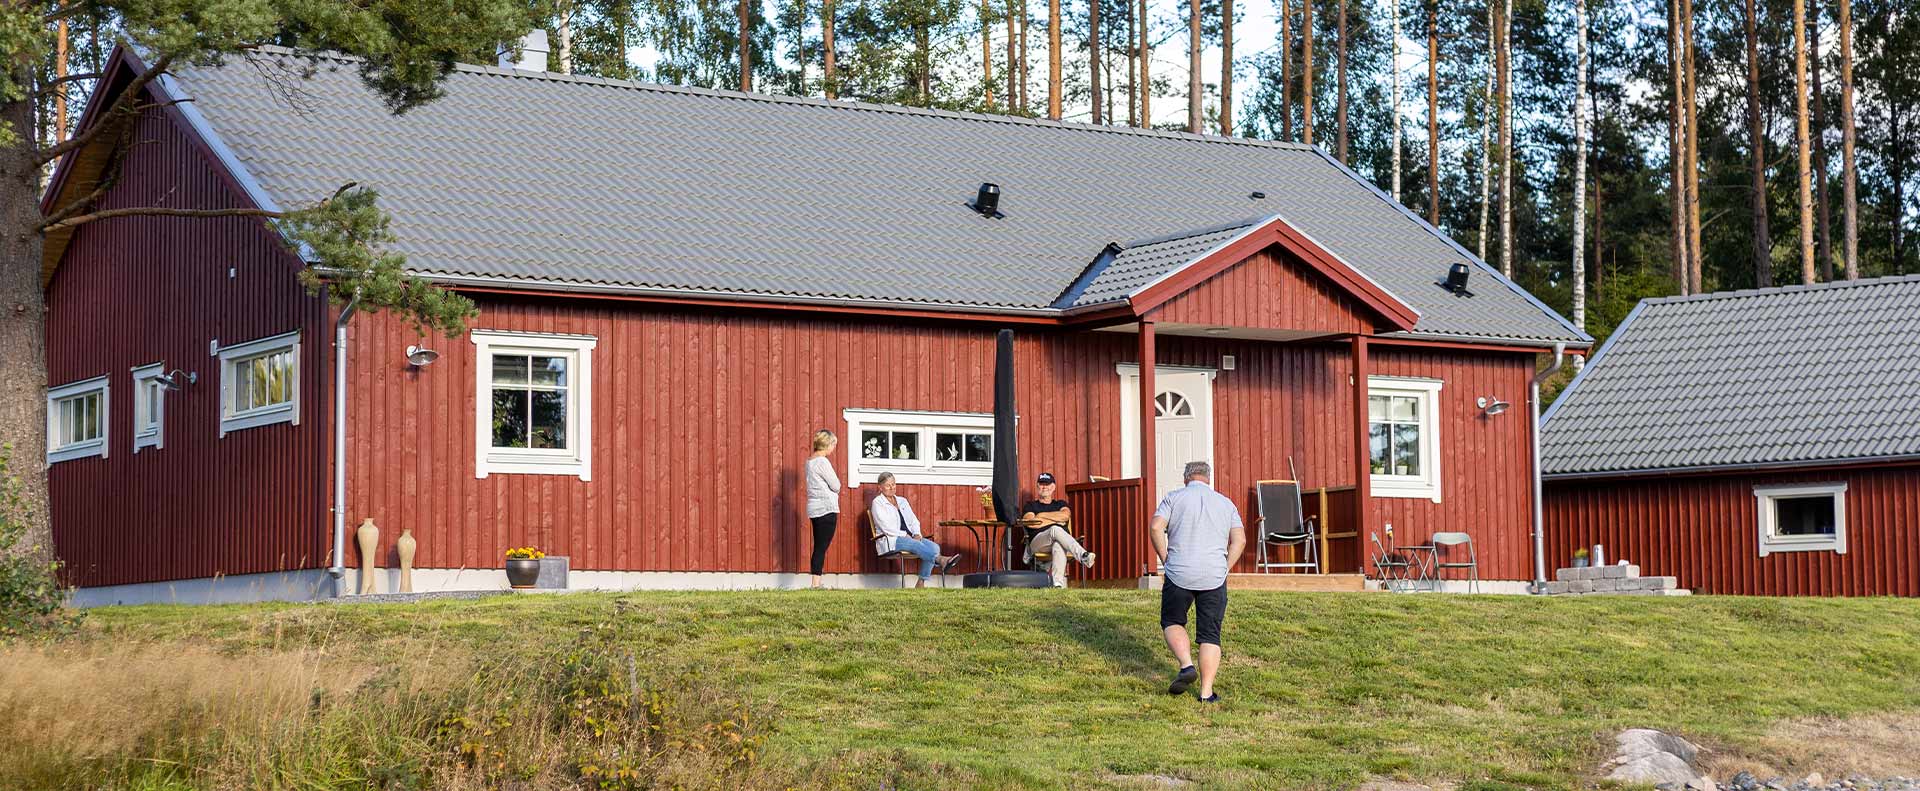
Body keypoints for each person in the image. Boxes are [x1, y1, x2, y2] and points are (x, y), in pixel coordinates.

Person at [1149, 461, 1246, 702]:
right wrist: (1225, 568)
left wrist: (1165, 558)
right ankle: (1206, 693)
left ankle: (1186, 665)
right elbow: (1240, 540)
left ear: (1186, 479)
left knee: (1172, 620)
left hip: (1179, 571)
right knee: (1210, 634)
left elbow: (1155, 527)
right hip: (1214, 574)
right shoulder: (1226, 503)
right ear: (1208, 479)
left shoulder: (1173, 498)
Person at [869, 472, 961, 587]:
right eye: (888, 485)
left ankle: (920, 583)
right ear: (880, 487)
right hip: (892, 539)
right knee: (916, 545)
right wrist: (904, 534)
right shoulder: (878, 503)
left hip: (910, 537)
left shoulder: (902, 501)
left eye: (894, 484)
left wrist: (917, 533)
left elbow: (913, 520)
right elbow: (886, 527)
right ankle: (941, 560)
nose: (892, 488)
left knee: (934, 547)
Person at [1021, 472, 1095, 588]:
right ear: (1037, 486)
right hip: (1038, 542)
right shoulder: (1030, 506)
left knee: (1058, 545)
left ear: (1053, 487)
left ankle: (1058, 585)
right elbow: (1031, 523)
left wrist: (1041, 516)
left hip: (1059, 541)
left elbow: (1065, 516)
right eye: (1041, 484)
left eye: (1047, 484)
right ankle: (1083, 555)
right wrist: (1055, 520)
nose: (1044, 487)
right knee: (1055, 529)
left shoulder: (1061, 504)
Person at [804, 429, 842, 589]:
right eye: (833, 445)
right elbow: (836, 485)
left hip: (814, 508)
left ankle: (815, 582)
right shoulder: (822, 462)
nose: (833, 448)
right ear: (827, 444)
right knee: (821, 547)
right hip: (826, 507)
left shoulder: (810, 462)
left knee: (818, 545)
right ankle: (816, 583)